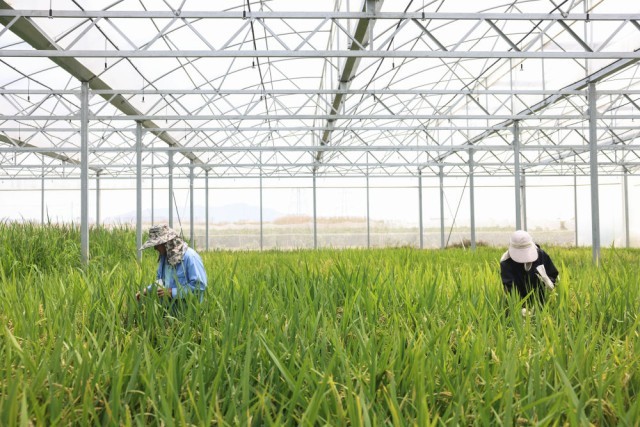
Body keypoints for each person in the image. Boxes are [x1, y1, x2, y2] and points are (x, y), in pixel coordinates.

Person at [136, 224, 207, 304]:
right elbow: (161, 282)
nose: (155, 248)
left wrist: (172, 292)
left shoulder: (190, 257)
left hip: (188, 309)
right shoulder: (164, 258)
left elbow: (200, 287)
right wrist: (146, 290)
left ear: (166, 243)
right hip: (168, 308)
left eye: (156, 244)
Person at [500, 230, 558, 313]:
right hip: (519, 301)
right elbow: (509, 287)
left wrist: (549, 283)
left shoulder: (541, 255)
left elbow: (552, 274)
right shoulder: (506, 262)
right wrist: (519, 307)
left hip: (541, 299)